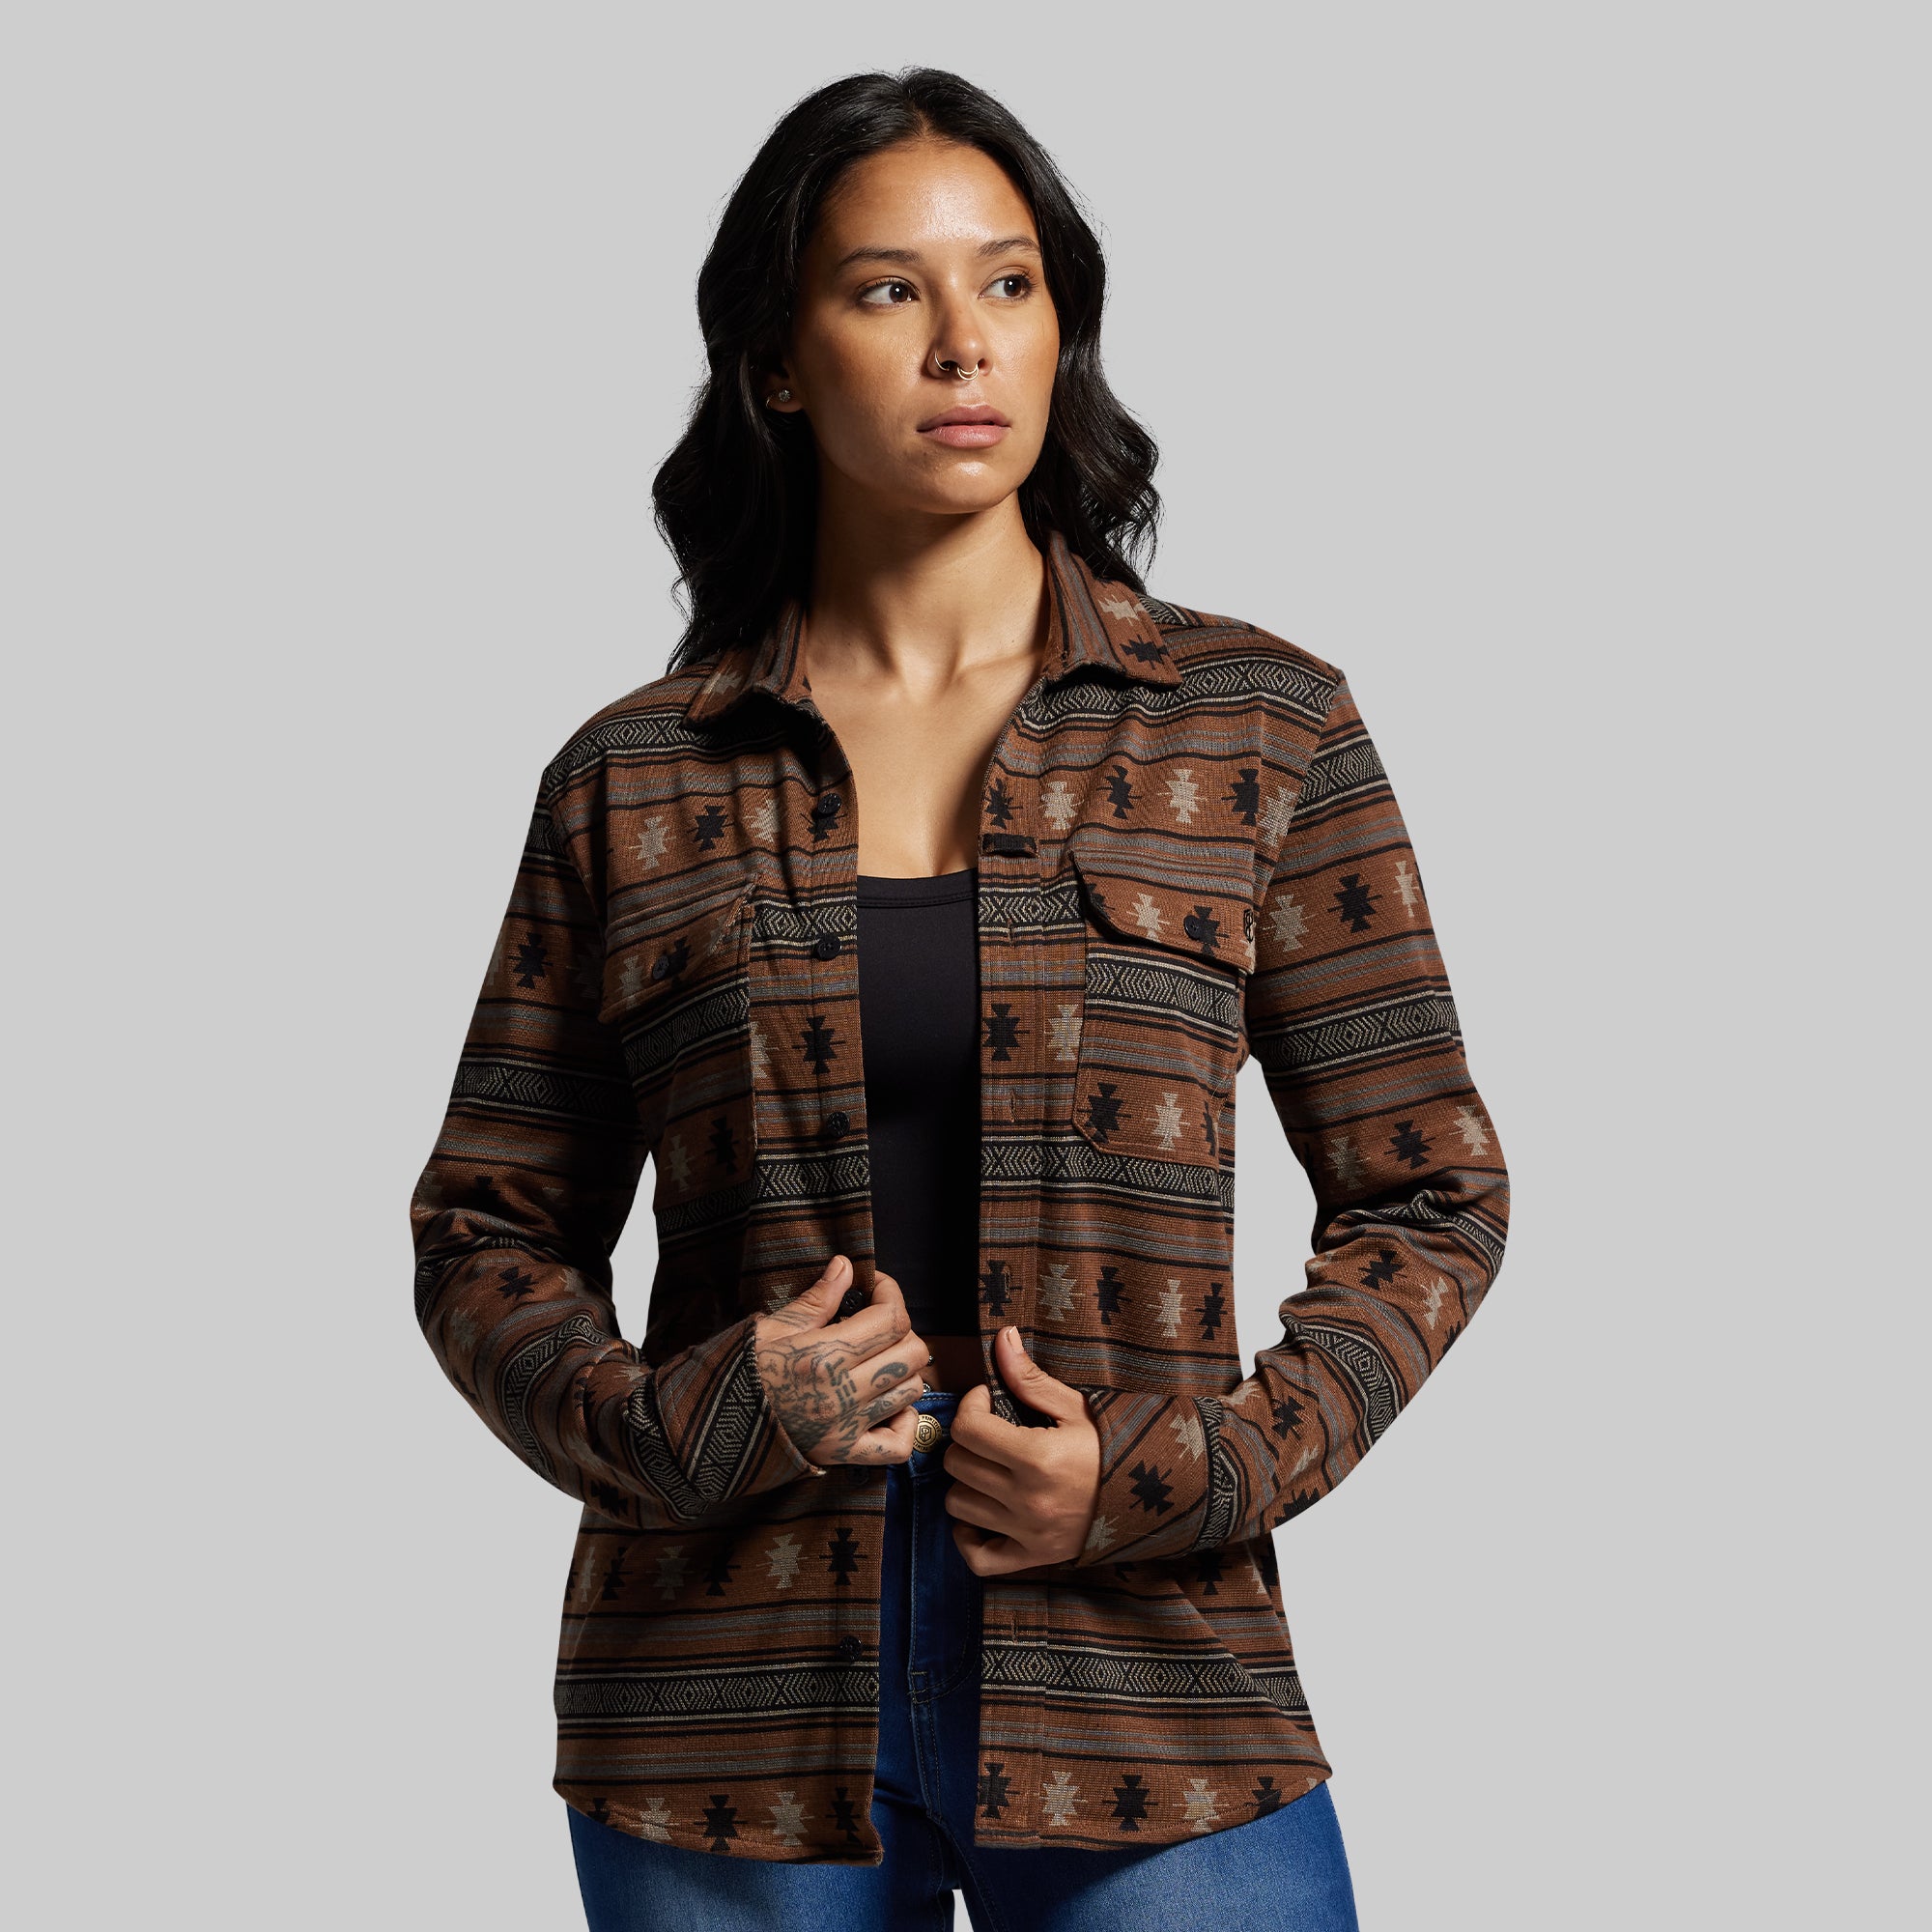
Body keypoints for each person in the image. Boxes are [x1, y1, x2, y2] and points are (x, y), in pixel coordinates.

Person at [409, 66, 1509, 1932]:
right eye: (886, 291)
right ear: (777, 361)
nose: (961, 344)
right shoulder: (634, 779)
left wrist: (1177, 1475)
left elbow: (1432, 1193)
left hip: (1145, 1683)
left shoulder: (1258, 729)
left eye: (1008, 283)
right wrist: (693, 1418)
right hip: (725, 1708)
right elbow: (486, 1230)